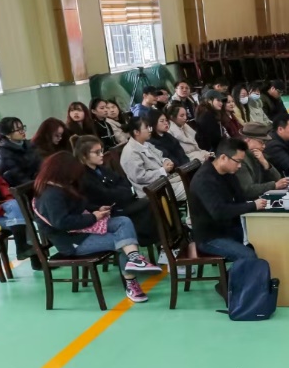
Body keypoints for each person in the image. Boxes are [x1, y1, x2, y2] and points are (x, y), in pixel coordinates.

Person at [31, 152, 162, 303]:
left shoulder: (62, 186)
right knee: (124, 241)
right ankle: (131, 284)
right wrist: (93, 217)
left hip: (82, 230)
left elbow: (80, 205)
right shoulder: (51, 195)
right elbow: (63, 222)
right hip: (72, 241)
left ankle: (135, 259)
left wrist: (97, 209)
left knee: (123, 222)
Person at [188, 138, 269, 263]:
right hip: (210, 237)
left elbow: (240, 197)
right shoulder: (204, 180)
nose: (239, 166)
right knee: (249, 255)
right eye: (238, 161)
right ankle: (237, 276)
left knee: (266, 239)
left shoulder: (228, 173)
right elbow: (219, 212)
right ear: (223, 158)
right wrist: (253, 206)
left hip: (229, 227)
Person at [74, 135, 159, 248]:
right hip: (108, 212)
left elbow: (124, 182)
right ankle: (156, 242)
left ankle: (164, 241)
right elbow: (106, 195)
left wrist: (120, 191)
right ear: (84, 156)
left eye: (101, 151)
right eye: (97, 152)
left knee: (152, 201)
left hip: (121, 203)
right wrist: (121, 192)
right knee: (146, 205)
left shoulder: (101, 169)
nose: (101, 154)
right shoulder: (84, 177)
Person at [120, 117, 185, 202]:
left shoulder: (146, 144)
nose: (150, 130)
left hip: (165, 181)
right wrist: (162, 170)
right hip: (154, 190)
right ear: (136, 132)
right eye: (146, 128)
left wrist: (166, 161)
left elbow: (160, 155)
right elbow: (140, 177)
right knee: (191, 187)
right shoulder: (130, 152)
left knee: (192, 179)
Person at [239, 122, 289, 198]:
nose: (264, 146)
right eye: (261, 142)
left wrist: (265, 163)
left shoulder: (259, 155)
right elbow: (248, 190)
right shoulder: (239, 159)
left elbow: (277, 178)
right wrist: (274, 185)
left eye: (265, 143)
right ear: (247, 140)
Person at [0, 117, 43, 188]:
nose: (22, 131)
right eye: (18, 130)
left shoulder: (28, 145)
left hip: (37, 184)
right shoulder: (3, 156)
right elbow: (20, 182)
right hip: (24, 190)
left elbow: (41, 165)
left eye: (22, 128)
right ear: (7, 134)